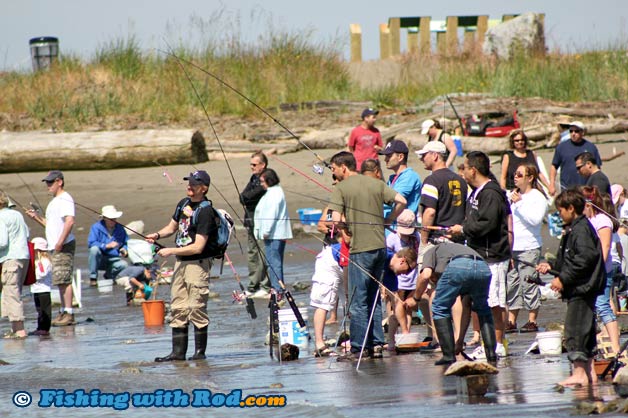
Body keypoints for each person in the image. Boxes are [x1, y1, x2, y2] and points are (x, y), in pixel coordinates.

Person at [328, 151, 407, 359]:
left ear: (343, 167)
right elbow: (402, 200)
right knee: (373, 298)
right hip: (380, 248)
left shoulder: (341, 188)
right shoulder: (375, 183)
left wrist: (345, 230)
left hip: (360, 249)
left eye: (334, 169)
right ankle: (377, 344)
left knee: (358, 300)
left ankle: (359, 347)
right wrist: (388, 219)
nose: (333, 174)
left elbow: (335, 218)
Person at [537, 189, 605, 386]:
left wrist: (563, 279)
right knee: (586, 331)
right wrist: (553, 269)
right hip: (580, 287)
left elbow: (585, 259)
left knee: (575, 330)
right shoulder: (575, 228)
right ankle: (589, 372)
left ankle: (579, 374)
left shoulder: (581, 229)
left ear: (571, 208)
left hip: (582, 289)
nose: (559, 215)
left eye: (561, 211)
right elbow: (572, 260)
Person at [147, 170, 216, 362]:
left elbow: (198, 247)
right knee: (178, 308)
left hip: (197, 264)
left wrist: (171, 251)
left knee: (196, 307)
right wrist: (157, 236)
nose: (189, 186)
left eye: (194, 184)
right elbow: (172, 228)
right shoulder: (183, 203)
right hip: (181, 263)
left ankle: (199, 353)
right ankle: (178, 353)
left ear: (204, 188)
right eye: (188, 182)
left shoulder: (206, 211)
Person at [449, 151, 511, 358]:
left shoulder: (491, 193)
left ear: (473, 170)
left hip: (492, 255)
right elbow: (473, 221)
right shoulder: (475, 192)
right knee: (471, 300)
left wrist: (464, 229)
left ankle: (497, 344)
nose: (463, 171)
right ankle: (464, 343)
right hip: (477, 255)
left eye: (465, 167)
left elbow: (489, 223)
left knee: (493, 302)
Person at [405, 242, 497, 366]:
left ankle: (448, 356)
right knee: (483, 309)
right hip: (483, 267)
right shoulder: (451, 251)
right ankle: (491, 355)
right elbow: (466, 309)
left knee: (439, 307)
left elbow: (425, 275)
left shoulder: (430, 252)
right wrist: (459, 341)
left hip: (459, 266)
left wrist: (415, 298)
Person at [27, 170, 77, 327]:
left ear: (59, 182)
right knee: (59, 279)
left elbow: (70, 222)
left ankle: (69, 312)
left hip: (63, 244)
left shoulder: (65, 198)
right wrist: (36, 217)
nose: (48, 185)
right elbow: (51, 226)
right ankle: (63, 311)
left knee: (64, 278)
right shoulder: (54, 202)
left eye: (51, 182)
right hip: (56, 244)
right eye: (47, 183)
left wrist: (60, 242)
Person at [505, 164, 548, 333]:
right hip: (513, 247)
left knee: (529, 282)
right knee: (512, 283)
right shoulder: (513, 195)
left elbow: (535, 220)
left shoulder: (537, 197)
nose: (515, 177)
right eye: (515, 174)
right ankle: (511, 320)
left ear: (530, 178)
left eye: (520, 174)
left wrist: (520, 204)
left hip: (529, 246)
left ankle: (532, 320)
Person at [581, 186, 620, 354]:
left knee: (603, 305)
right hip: (590, 271)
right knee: (593, 307)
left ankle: (616, 346)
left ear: (589, 204)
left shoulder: (602, 220)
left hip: (602, 271)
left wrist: (596, 270)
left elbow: (605, 248)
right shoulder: (587, 221)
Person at [416, 141, 467, 247]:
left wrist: (424, 241)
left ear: (435, 155)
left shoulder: (431, 180)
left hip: (438, 241)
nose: (421, 159)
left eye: (424, 155)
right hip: (459, 240)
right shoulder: (461, 181)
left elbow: (430, 212)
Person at [310, 223, 350, 357]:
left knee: (352, 303)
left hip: (341, 263)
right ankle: (319, 344)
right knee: (323, 303)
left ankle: (354, 339)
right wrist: (346, 291)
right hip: (328, 263)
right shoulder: (342, 247)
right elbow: (346, 271)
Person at [253, 168, 293, 299]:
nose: (261, 184)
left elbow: (271, 214)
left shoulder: (275, 193)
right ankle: (276, 288)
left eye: (263, 181)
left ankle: (277, 289)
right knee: (272, 261)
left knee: (274, 262)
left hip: (274, 234)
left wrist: (266, 231)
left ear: (269, 180)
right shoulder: (272, 192)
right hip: (272, 234)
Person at [0, 192, 30, 339]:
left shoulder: (0, 217)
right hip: (23, 256)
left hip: (10, 258)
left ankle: (19, 331)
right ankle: (15, 328)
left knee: (12, 293)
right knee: (14, 291)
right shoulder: (17, 214)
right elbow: (27, 233)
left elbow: (2, 242)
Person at [240, 151, 270, 297]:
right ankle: (253, 286)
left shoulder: (267, 178)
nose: (251, 167)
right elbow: (243, 196)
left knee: (262, 253)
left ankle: (265, 286)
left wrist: (246, 197)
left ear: (262, 165)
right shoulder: (253, 177)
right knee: (252, 252)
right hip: (250, 220)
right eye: (250, 164)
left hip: (262, 221)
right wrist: (246, 197)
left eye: (254, 164)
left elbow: (252, 195)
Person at [549, 121, 602, 196]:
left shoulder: (591, 147)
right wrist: (551, 184)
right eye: (571, 131)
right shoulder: (561, 147)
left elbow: (597, 168)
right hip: (567, 189)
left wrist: (597, 186)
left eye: (576, 131)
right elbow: (554, 166)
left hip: (586, 189)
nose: (573, 133)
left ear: (582, 132)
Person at [87, 205, 129, 287]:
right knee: (94, 249)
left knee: (124, 264)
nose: (113, 221)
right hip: (99, 259)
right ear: (105, 218)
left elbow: (126, 242)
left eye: (114, 219)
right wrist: (106, 246)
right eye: (111, 219)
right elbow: (91, 242)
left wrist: (124, 249)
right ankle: (93, 278)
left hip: (114, 258)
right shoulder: (96, 227)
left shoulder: (120, 228)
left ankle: (109, 275)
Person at [379, 139, 422, 219]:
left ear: (400, 157)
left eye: (389, 156)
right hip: (390, 228)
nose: (385, 159)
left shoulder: (410, 176)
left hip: (400, 228)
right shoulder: (393, 178)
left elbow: (391, 199)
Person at [29, 237, 53, 336]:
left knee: (45, 310)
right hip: (36, 289)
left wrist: (32, 275)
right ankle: (40, 327)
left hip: (44, 290)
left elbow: (42, 274)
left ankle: (45, 328)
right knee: (39, 310)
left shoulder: (44, 261)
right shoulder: (37, 261)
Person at [347, 108, 383, 172]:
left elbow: (381, 147)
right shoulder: (356, 131)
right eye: (373, 117)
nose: (375, 120)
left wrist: (378, 148)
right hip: (359, 166)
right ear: (366, 118)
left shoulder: (376, 131)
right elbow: (350, 147)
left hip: (373, 165)